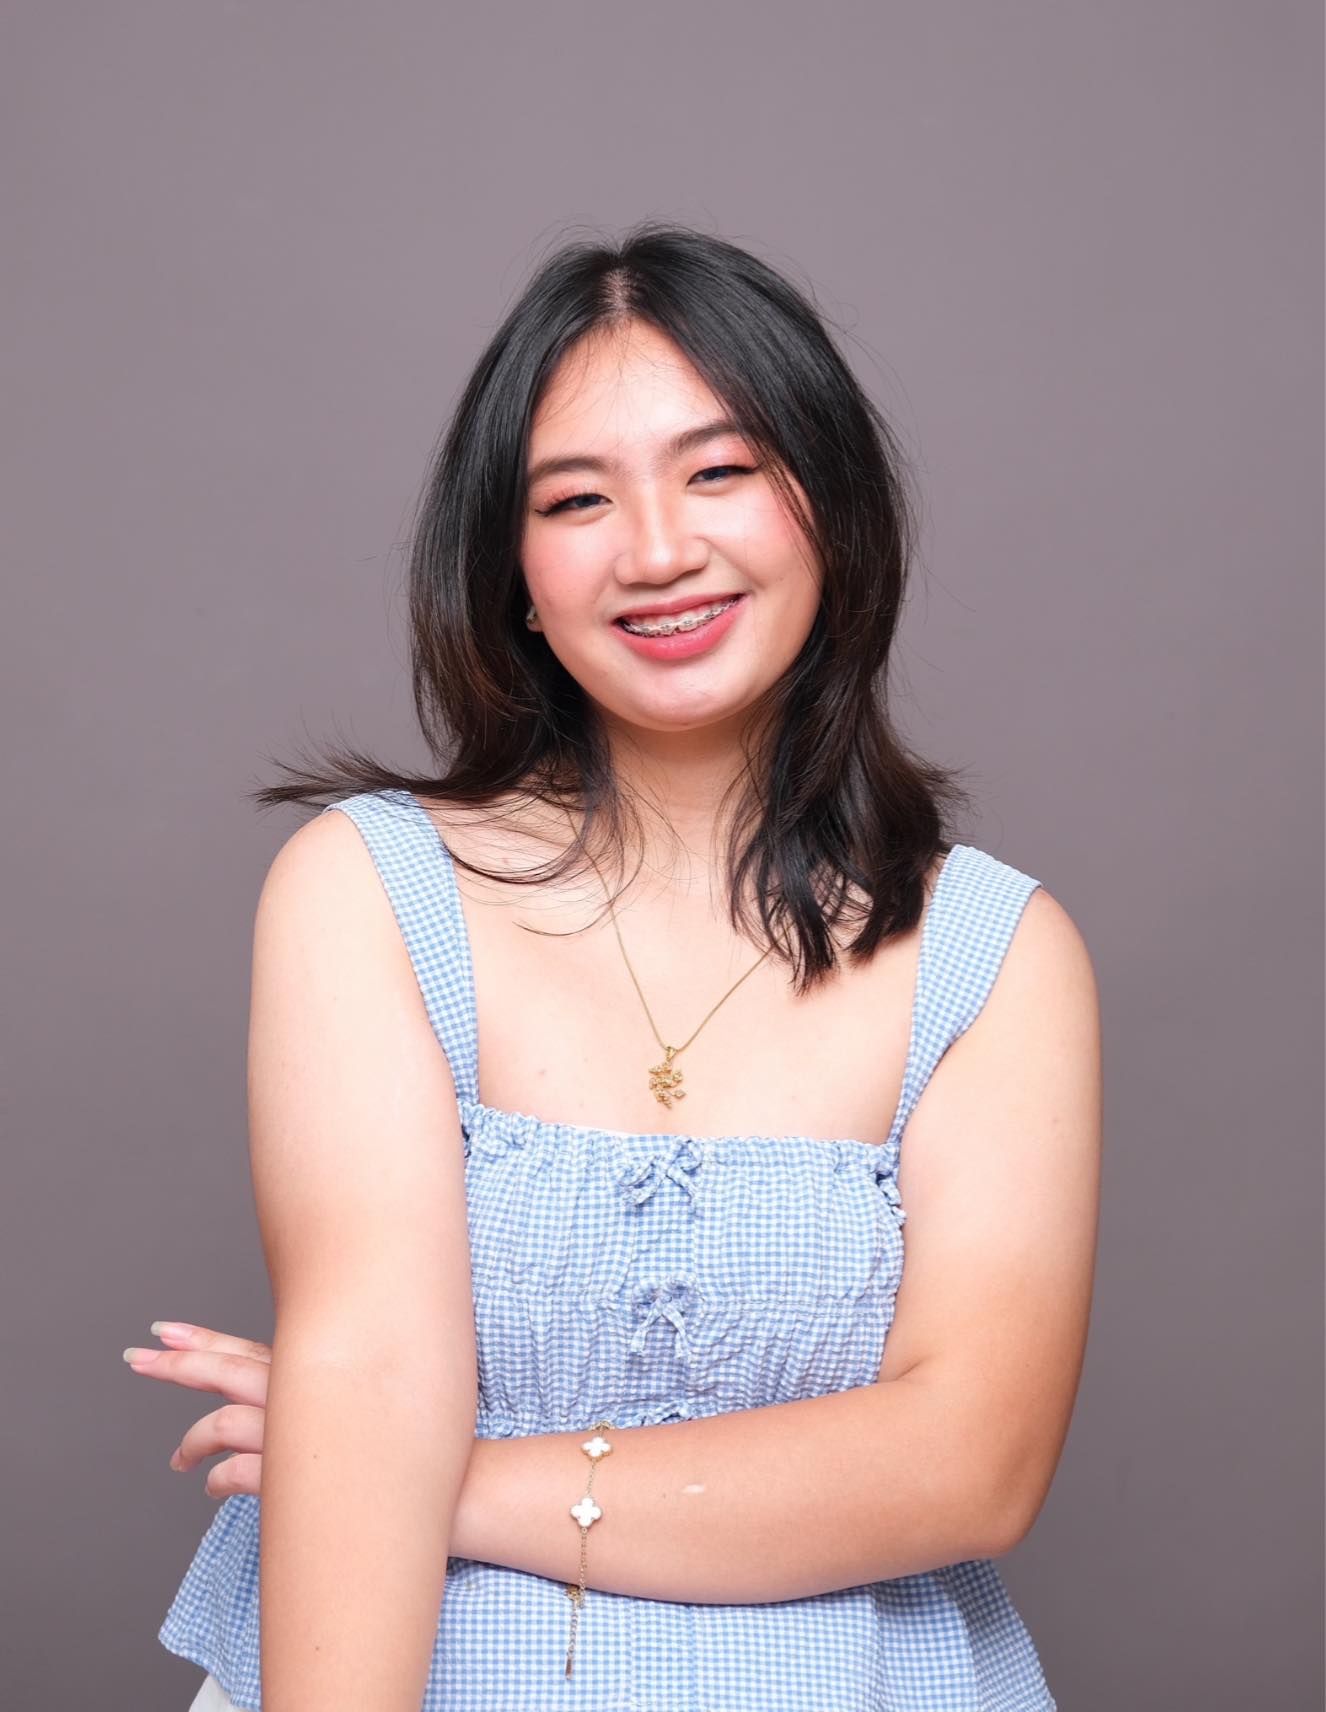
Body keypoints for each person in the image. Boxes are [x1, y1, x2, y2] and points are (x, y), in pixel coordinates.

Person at [124, 221, 1101, 1712]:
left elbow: (969, 1465)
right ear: (515, 573)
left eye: (720, 472)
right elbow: (372, 1363)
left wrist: (415, 1475)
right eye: (577, 499)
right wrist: (365, 1434)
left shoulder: (993, 957)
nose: (656, 551)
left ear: (831, 508)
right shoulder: (371, 889)